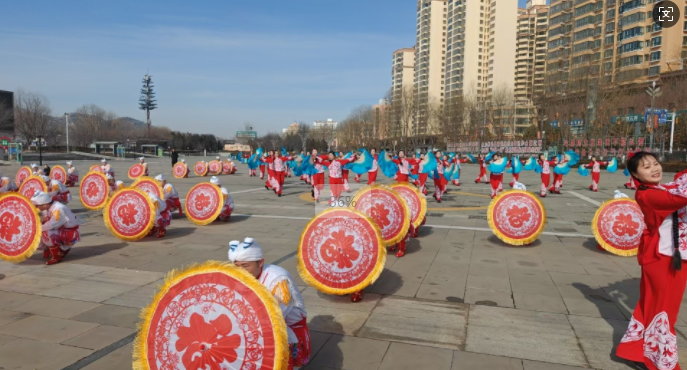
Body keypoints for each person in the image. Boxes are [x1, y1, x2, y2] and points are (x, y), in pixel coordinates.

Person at [616, 152, 687, 370]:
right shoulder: (647, 195)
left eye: (655, 163)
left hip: (674, 256)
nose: (655, 169)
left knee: (654, 306)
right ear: (635, 175)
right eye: (646, 167)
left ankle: (638, 350)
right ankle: (661, 362)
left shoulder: (663, 188)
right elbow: (681, 197)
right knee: (663, 310)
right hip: (661, 258)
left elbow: (681, 179)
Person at [229, 237, 310, 370]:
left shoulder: (278, 279)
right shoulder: (242, 277)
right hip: (258, 321)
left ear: (260, 262)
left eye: (245, 266)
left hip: (284, 325)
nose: (241, 271)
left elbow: (276, 315)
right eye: (237, 266)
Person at [31, 191, 81, 265]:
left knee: (46, 233)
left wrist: (34, 229)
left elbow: (51, 225)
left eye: (37, 205)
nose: (36, 207)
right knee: (37, 237)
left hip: (70, 233)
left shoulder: (58, 209)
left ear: (44, 204)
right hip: (59, 229)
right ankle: (49, 249)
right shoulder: (47, 207)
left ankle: (57, 256)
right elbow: (45, 221)